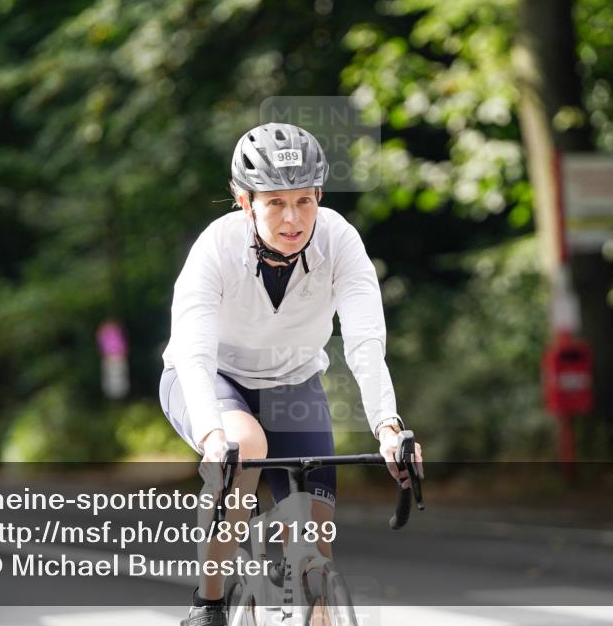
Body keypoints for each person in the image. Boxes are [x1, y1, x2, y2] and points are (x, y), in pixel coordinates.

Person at [159, 123, 423, 626]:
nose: (292, 218)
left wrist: (388, 428)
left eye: (304, 201)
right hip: (213, 379)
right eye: (275, 202)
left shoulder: (340, 241)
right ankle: (207, 603)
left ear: (319, 197)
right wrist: (214, 435)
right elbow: (193, 350)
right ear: (245, 202)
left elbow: (366, 342)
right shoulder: (214, 249)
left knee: (316, 553)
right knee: (245, 447)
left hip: (292, 382)